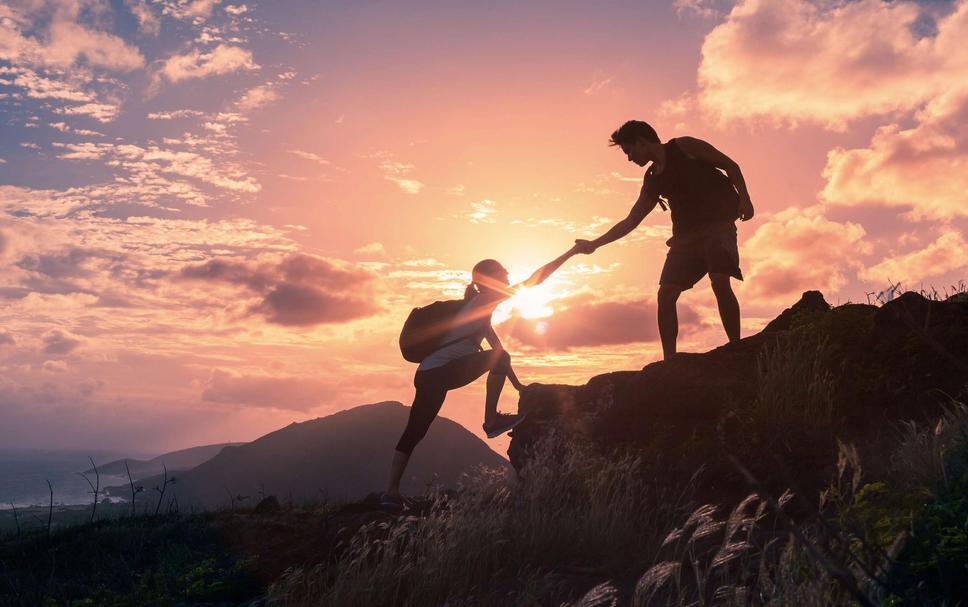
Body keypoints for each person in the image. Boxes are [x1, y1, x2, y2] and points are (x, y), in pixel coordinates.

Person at [383, 246, 578, 509]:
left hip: (429, 374)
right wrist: (571, 253)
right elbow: (534, 280)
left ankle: (391, 493)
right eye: (503, 271)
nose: (508, 273)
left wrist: (518, 385)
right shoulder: (484, 300)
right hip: (440, 373)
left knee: (414, 432)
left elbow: (498, 353)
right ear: (489, 279)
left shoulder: (479, 312)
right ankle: (491, 420)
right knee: (416, 430)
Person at [574, 120, 755, 360]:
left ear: (641, 141)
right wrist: (594, 244)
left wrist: (745, 199)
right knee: (666, 294)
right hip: (684, 239)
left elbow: (730, 165)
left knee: (720, 279)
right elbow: (631, 220)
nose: (629, 158)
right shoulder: (652, 178)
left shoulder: (685, 146)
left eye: (629, 150)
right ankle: (669, 361)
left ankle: (736, 348)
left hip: (716, 225)